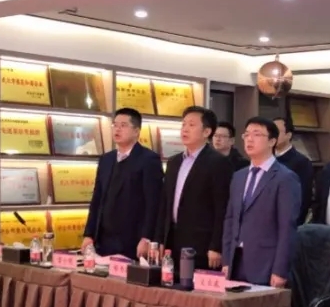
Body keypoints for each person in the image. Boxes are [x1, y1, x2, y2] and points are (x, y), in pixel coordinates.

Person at [221, 117, 301, 286]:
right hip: (236, 261)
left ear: (272, 141)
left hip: (266, 264)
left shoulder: (285, 178)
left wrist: (280, 270)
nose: (249, 139)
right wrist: (226, 260)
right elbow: (230, 220)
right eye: (247, 134)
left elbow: (287, 228)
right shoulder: (239, 176)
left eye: (257, 134)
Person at [153, 106, 232, 271]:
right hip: (171, 240)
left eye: (191, 125)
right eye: (183, 124)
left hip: (201, 244)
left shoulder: (218, 163)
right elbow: (164, 203)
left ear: (206, 132)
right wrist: (159, 238)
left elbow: (222, 208)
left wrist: (216, 246)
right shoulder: (174, 162)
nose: (185, 129)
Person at [82, 107, 163, 259]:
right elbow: (97, 199)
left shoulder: (148, 159)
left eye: (123, 125)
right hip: (103, 240)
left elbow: (154, 203)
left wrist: (146, 238)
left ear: (136, 131)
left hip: (132, 240)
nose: (117, 129)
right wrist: (89, 234)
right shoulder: (106, 159)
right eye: (115, 125)